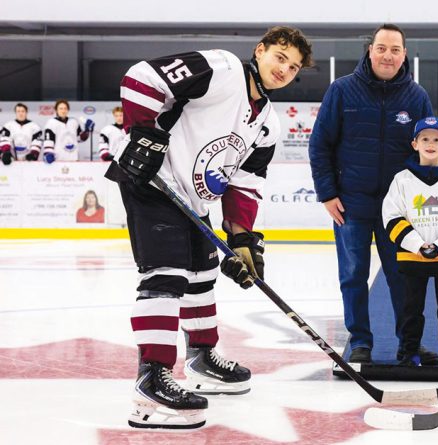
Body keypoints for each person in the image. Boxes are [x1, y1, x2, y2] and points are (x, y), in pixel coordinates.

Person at [106, 26, 313, 429]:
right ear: (261, 51)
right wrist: (144, 132)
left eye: (294, 67)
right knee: (165, 275)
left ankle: (201, 359)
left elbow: (245, 184)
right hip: (154, 183)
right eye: (280, 57)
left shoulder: (267, 123)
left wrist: (242, 241)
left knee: (201, 275)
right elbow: (142, 78)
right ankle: (151, 380)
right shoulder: (222, 68)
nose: (284, 69)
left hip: (193, 199)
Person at [309, 23, 438, 365]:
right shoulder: (342, 91)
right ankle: (361, 340)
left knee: (404, 276)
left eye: (395, 49)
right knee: (353, 274)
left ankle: (408, 343)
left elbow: (428, 150)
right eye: (381, 48)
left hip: (399, 208)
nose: (388, 55)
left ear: (404, 55)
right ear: (370, 50)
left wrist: (426, 197)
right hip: (351, 203)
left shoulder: (416, 96)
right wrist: (327, 193)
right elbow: (320, 144)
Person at [382, 117, 438, 368]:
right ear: (414, 144)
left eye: (436, 139)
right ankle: (410, 354)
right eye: (425, 139)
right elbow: (392, 217)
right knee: (411, 309)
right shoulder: (402, 179)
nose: (430, 144)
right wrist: (417, 245)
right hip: (412, 257)